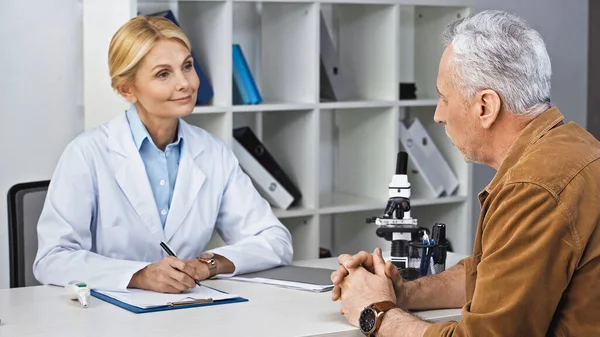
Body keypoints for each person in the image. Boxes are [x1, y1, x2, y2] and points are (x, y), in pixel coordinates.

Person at [330, 9, 600, 337]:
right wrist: (400, 293)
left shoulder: (534, 187)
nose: (438, 115)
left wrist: (375, 312)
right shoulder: (574, 146)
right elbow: (492, 275)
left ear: (485, 107)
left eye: (445, 98)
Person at [33, 15, 293, 293]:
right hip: (107, 315)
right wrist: (139, 275)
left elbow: (275, 240)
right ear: (126, 89)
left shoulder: (213, 152)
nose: (185, 83)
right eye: (163, 74)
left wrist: (208, 264)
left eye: (187, 66)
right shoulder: (87, 153)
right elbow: (53, 258)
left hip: (188, 309)